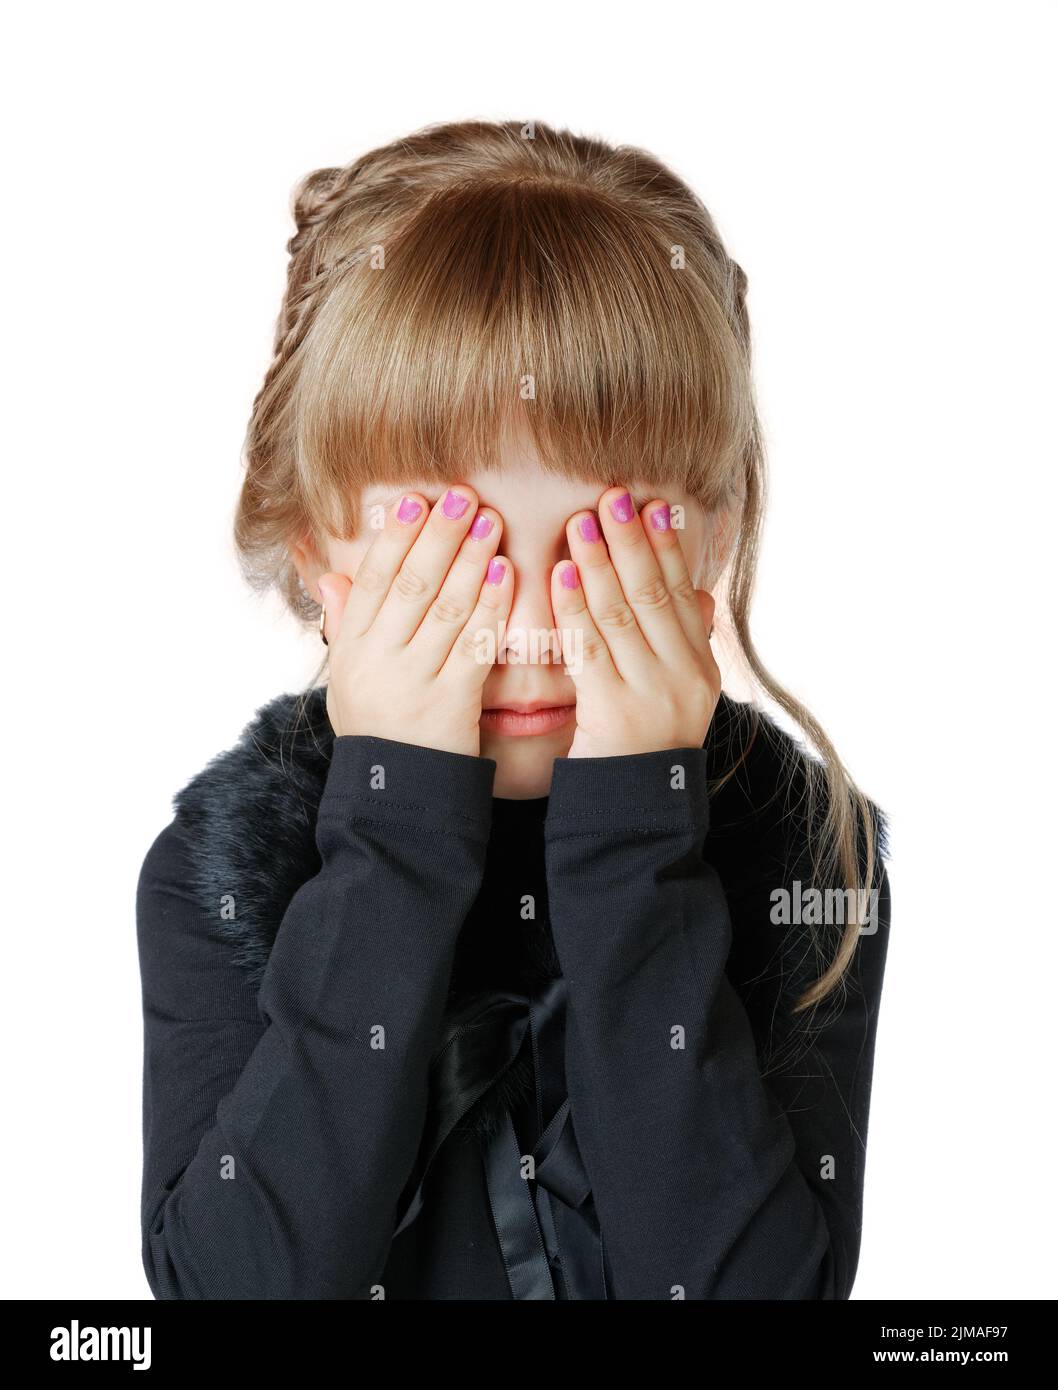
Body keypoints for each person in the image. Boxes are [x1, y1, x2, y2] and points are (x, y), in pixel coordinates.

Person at [136, 118, 891, 1300]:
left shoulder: (800, 856)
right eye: (458, 551)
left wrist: (639, 840)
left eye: (602, 545)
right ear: (311, 552)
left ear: (714, 539)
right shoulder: (222, 866)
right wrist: (392, 836)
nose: (533, 626)